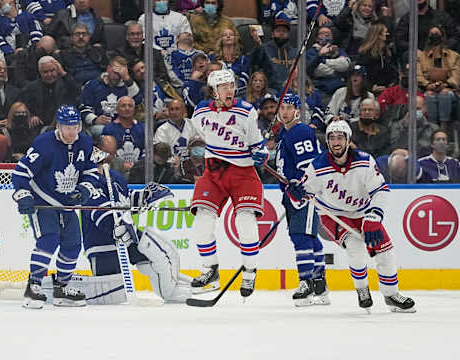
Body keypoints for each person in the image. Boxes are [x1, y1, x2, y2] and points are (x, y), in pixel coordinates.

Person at [287, 120, 416, 312]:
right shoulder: (317, 166)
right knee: (355, 248)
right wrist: (294, 193)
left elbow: (381, 191)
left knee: (386, 250)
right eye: (331, 138)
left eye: (340, 138)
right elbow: (301, 200)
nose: (336, 142)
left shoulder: (364, 162)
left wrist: (374, 216)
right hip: (334, 215)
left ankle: (391, 295)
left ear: (348, 140)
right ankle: (362, 289)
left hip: (364, 213)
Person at [188, 69, 268, 298]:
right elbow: (202, 136)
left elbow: (257, 145)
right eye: (224, 87)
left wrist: (261, 153)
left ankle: (250, 271)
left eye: (231, 86)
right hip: (213, 172)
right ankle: (210, 270)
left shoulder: (246, 112)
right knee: (202, 222)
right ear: (214, 91)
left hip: (242, 174)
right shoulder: (201, 112)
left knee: (245, 223)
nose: (229, 90)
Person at [78, 148, 193, 304]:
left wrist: (145, 197)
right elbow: (104, 217)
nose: (101, 166)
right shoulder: (88, 187)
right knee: (111, 298)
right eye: (96, 164)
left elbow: (125, 201)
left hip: (125, 239)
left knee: (162, 253)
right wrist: (118, 224)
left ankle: (173, 290)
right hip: (102, 248)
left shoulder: (114, 178)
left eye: (102, 162)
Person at [11, 105, 98, 309]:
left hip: (67, 203)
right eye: (67, 127)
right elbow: (21, 173)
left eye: (75, 126)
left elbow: (91, 170)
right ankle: (34, 287)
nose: (71, 131)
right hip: (43, 201)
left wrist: (84, 189)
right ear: (58, 125)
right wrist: (23, 194)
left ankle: (62, 287)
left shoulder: (85, 141)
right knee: (49, 240)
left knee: (73, 243)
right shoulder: (43, 143)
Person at [275, 93, 329, 306]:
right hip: (292, 193)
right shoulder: (284, 133)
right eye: (282, 107)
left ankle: (306, 283)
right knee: (308, 236)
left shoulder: (300, 131)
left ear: (298, 111)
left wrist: (301, 184)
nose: (285, 111)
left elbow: (309, 164)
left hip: (304, 193)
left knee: (301, 236)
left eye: (289, 107)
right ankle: (320, 286)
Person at [79, 56, 140, 143]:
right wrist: (95, 119)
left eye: (121, 74)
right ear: (108, 69)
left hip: (122, 126)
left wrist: (127, 78)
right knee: (102, 131)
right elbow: (84, 109)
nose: (117, 77)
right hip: (99, 127)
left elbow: (138, 101)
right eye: (115, 73)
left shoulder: (128, 87)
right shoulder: (92, 85)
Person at [18, 55, 81, 133]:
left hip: (65, 124)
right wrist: (31, 116)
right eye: (45, 72)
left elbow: (78, 91)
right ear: (40, 72)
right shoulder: (31, 88)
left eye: (52, 70)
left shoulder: (66, 83)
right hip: (41, 125)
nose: (49, 75)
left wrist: (63, 73)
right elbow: (22, 105)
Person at [417, 24, 460, 132]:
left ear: (442, 36)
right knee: (430, 96)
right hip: (428, 89)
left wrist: (446, 84)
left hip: (449, 89)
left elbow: (456, 75)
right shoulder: (421, 56)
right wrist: (427, 85)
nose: (434, 36)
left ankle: (443, 127)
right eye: (432, 34)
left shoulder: (454, 56)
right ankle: (432, 127)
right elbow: (418, 75)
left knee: (444, 94)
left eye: (437, 34)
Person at [101, 96, 145, 179]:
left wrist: (137, 165)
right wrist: (121, 165)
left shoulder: (142, 128)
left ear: (134, 109)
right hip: (116, 170)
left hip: (140, 169)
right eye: (123, 106)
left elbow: (148, 151)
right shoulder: (109, 129)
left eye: (130, 106)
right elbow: (106, 153)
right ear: (117, 109)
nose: (127, 108)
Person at [306, 25, 351, 105]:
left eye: (328, 34)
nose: (325, 36)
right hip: (321, 90)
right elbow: (314, 71)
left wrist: (323, 61)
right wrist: (337, 69)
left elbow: (345, 65)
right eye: (322, 33)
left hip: (340, 90)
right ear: (316, 38)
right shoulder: (311, 52)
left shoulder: (339, 50)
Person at [250, 18, 298, 93]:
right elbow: (252, 62)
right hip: (270, 90)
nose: (281, 33)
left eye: (284, 31)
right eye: (278, 31)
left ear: (288, 34)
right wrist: (257, 46)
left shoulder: (295, 52)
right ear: (272, 34)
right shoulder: (264, 48)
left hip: (292, 89)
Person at [356, 22, 397, 96]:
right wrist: (371, 87)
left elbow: (392, 72)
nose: (387, 34)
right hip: (368, 91)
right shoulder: (366, 54)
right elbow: (359, 74)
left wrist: (389, 85)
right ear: (378, 35)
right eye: (385, 32)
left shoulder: (386, 53)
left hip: (386, 89)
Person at [209, 27, 250, 96]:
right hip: (217, 93)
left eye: (231, 34)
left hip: (239, 93)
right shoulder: (212, 58)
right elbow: (210, 77)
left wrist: (233, 90)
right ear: (221, 40)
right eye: (225, 35)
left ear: (235, 38)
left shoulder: (243, 59)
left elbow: (245, 79)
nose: (228, 36)